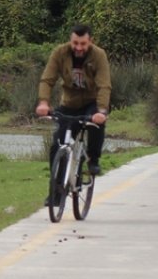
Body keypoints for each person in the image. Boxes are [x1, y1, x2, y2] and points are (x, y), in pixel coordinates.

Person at [36, 24, 110, 205]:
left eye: (83, 44)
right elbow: (47, 79)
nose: (78, 48)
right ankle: (55, 191)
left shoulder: (99, 55)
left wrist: (101, 111)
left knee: (96, 125)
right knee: (58, 144)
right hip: (69, 103)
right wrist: (44, 102)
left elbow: (104, 85)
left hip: (92, 102)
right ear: (70, 40)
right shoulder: (59, 53)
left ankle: (93, 159)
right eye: (75, 43)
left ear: (90, 41)